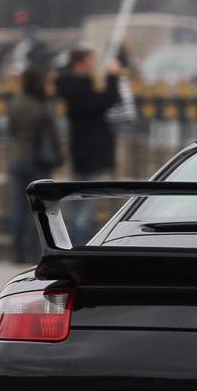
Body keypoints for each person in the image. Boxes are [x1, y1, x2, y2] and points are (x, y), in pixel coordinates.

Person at [55, 45, 123, 244]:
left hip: (85, 152)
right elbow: (106, 100)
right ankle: (76, 247)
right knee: (83, 207)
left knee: (81, 205)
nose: (93, 67)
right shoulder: (78, 88)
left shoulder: (74, 86)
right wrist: (112, 76)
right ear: (79, 64)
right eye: (90, 62)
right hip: (89, 153)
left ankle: (73, 244)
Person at [6, 65, 62, 264]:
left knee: (18, 208)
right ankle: (32, 251)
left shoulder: (17, 101)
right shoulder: (43, 103)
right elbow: (54, 130)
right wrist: (60, 152)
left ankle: (17, 251)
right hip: (38, 160)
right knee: (36, 209)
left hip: (17, 158)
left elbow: (11, 128)